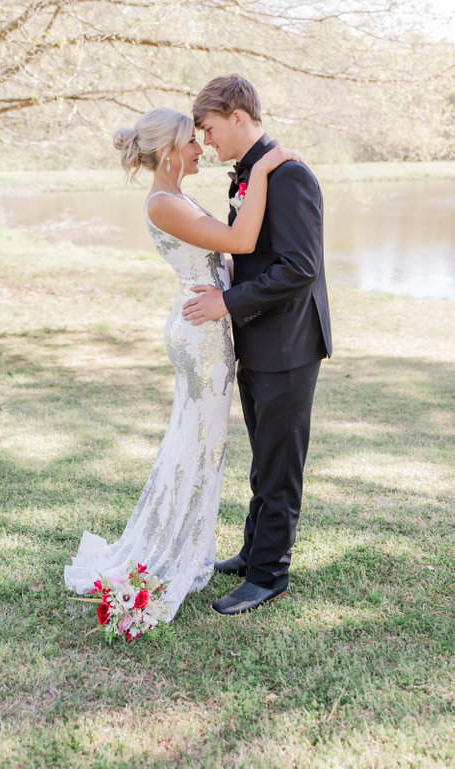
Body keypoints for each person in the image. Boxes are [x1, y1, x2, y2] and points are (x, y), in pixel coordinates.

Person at [64, 107, 298, 622]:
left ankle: (188, 544)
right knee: (198, 446)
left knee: (199, 443)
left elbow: (225, 257)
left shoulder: (177, 197)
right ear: (168, 150)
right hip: (200, 336)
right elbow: (240, 241)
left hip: (206, 326)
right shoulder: (165, 203)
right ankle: (173, 550)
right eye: (192, 141)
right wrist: (262, 170)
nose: (200, 149)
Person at [182, 74, 332, 616]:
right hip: (259, 340)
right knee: (265, 457)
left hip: (288, 344)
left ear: (238, 117)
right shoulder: (250, 175)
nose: (206, 141)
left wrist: (228, 301)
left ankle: (270, 575)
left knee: (281, 463)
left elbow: (299, 267)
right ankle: (253, 553)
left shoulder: (289, 176)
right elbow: (255, 253)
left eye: (209, 128)